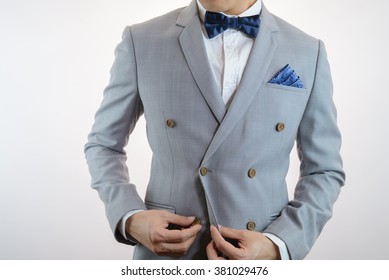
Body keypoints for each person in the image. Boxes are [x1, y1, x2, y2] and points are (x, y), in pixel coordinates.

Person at [84, 0, 345, 260]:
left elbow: (324, 170)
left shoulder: (308, 51)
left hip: (262, 258)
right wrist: (130, 217)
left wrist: (279, 244)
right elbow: (104, 145)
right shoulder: (141, 40)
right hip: (168, 257)